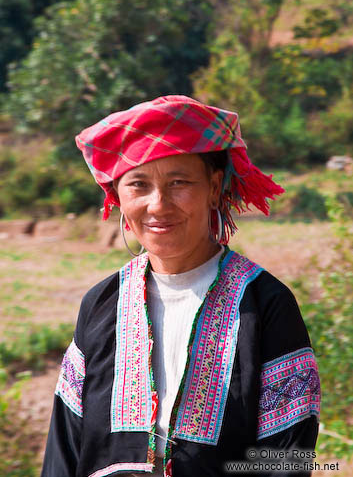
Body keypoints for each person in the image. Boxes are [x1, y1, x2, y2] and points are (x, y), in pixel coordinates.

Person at [41, 95, 320, 477]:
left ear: (214, 186)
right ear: (118, 197)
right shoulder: (101, 305)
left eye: (179, 182)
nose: (158, 205)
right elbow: (64, 449)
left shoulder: (265, 304)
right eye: (139, 184)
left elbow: (287, 458)